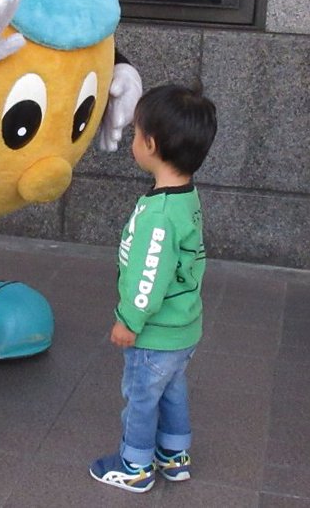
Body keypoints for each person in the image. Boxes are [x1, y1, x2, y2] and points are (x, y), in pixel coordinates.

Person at [89, 82, 218, 493]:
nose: (132, 140)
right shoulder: (185, 197)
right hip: (183, 329)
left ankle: (135, 465)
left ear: (150, 143)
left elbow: (149, 277)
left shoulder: (157, 216)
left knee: (141, 397)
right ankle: (174, 456)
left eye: (134, 133)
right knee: (172, 390)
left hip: (155, 333)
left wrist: (128, 320)